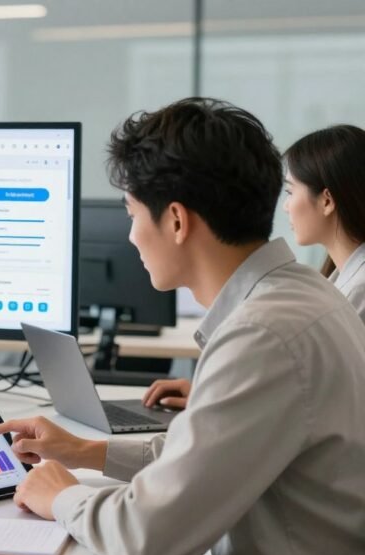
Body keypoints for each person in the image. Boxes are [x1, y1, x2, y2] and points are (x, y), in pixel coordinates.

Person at [0, 98, 365, 555]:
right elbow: (209, 456)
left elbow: (151, 538)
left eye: (132, 213)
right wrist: (85, 452)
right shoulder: (300, 294)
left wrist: (60, 496)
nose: (130, 236)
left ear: (177, 221)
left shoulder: (263, 335)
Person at [144, 123, 365, 410]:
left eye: (290, 191)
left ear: (326, 201)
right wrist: (215, 395)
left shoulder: (359, 291)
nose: (285, 207)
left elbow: (332, 399)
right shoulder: (338, 280)